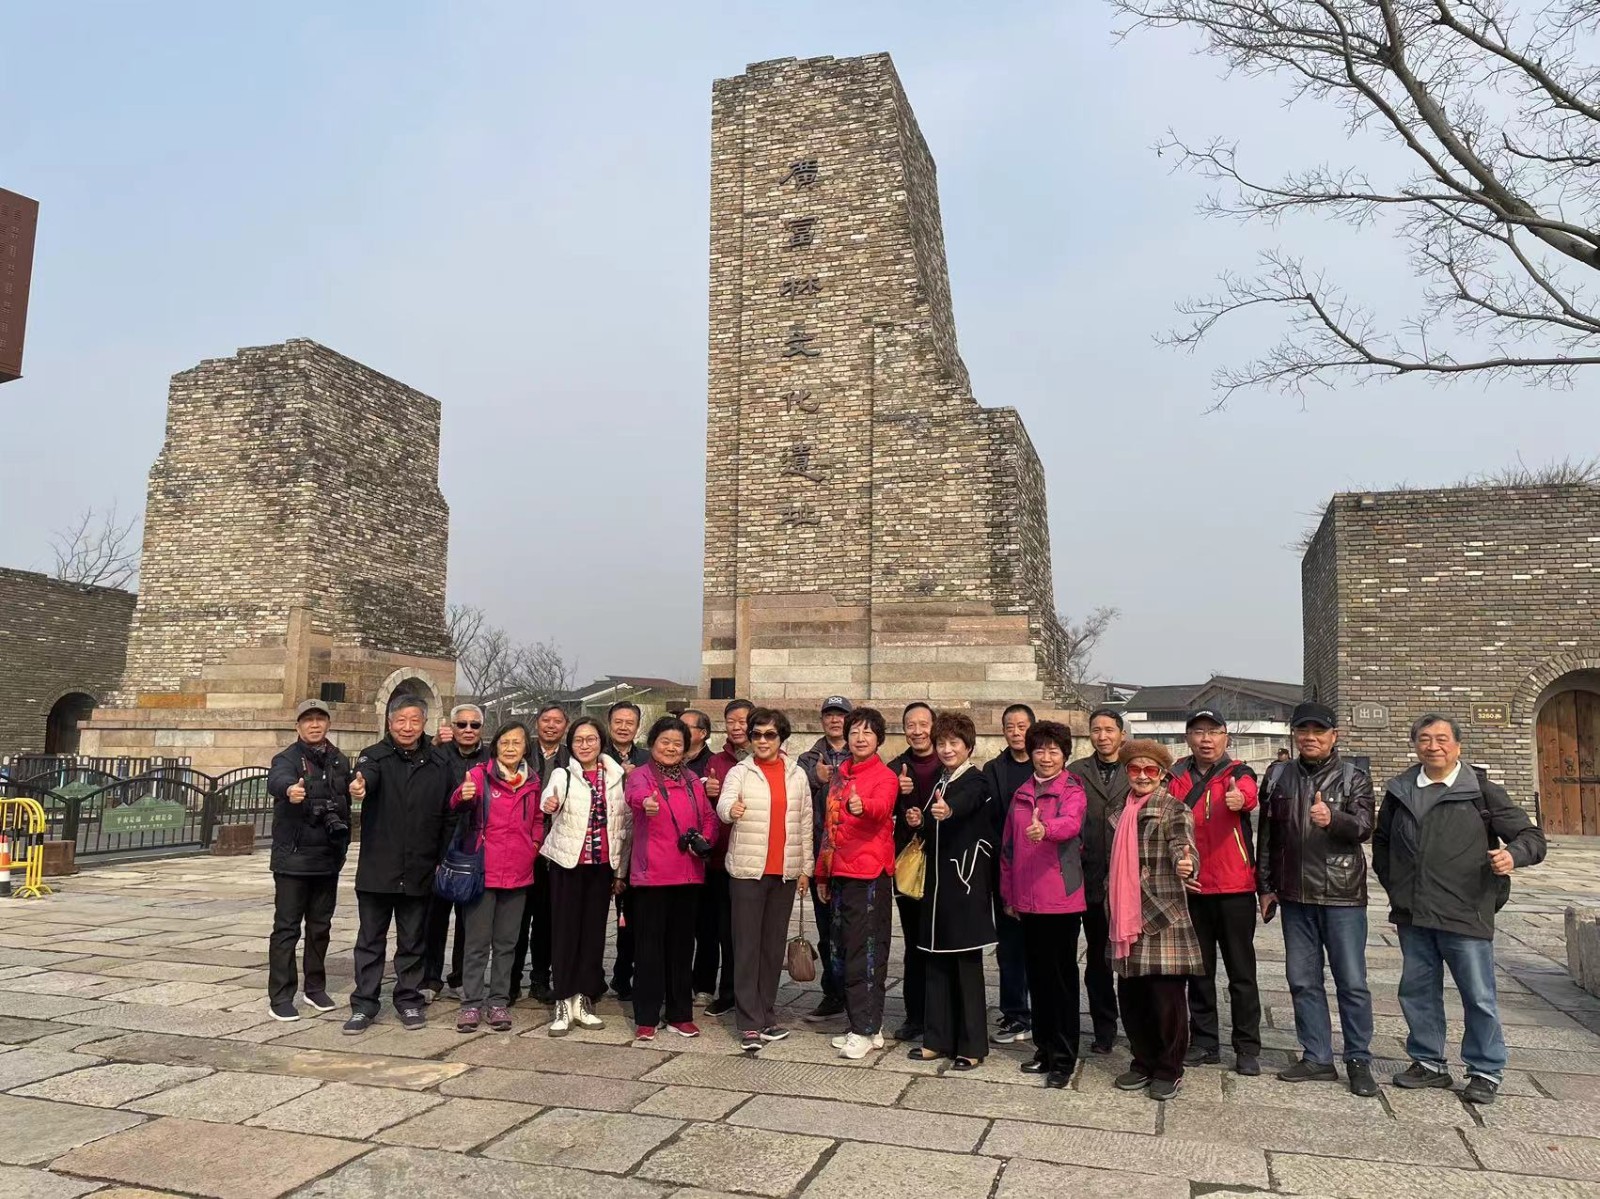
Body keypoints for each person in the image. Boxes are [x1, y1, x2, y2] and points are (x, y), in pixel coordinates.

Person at [1374, 713, 1547, 1105]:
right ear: (1415, 745)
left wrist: (1513, 855)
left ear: (1458, 746)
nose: (1433, 746)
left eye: (1442, 739)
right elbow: (1382, 842)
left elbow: (1531, 836)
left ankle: (1485, 1069)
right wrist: (1395, 884)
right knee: (1417, 990)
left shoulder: (1480, 790)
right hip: (1414, 912)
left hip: (1466, 908)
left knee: (1478, 994)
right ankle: (1428, 1062)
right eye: (1424, 739)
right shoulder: (1401, 789)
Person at [1257, 701, 1379, 1096]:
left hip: (1341, 894)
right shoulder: (1278, 776)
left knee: (1351, 981)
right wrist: (1265, 886)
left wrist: (1334, 819)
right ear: (1294, 734)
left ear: (1333, 736)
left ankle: (1358, 1058)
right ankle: (1317, 1056)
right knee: (1302, 980)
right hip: (1294, 895)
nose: (1310, 737)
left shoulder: (1354, 777)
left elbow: (1365, 827)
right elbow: (1268, 837)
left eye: (1318, 731)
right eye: (1303, 730)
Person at [345, 694, 452, 1033]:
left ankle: (409, 1000)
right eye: (401, 720)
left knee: (413, 941)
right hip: (379, 867)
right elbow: (366, 776)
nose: (407, 727)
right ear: (390, 722)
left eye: (414, 720)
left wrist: (441, 858)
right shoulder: (374, 756)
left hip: (421, 867)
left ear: (424, 723)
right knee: (370, 941)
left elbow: (449, 814)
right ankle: (364, 1004)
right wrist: (360, 786)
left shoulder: (439, 762)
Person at [1167, 709, 1262, 1075]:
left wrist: (1241, 800)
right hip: (1192, 887)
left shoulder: (1238, 773)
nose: (1206, 739)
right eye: (1198, 732)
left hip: (1234, 887)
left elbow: (1248, 794)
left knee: (1242, 972)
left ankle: (1247, 1046)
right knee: (1199, 972)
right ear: (1188, 737)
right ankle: (1204, 1041)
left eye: (1213, 731)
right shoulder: (1175, 776)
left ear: (1226, 737)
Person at [1108, 739, 1202, 1101]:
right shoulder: (1120, 809)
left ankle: (1169, 1068)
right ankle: (1142, 1060)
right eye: (1135, 769)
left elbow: (1183, 844)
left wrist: (1187, 863)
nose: (1142, 776)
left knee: (1166, 998)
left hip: (1160, 913)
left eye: (1150, 770)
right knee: (1131, 995)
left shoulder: (1174, 809)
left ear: (1162, 775)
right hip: (1124, 913)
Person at [716, 706, 812, 1053]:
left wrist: (806, 868)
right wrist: (731, 810)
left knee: (772, 949)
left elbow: (804, 823)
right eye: (756, 734)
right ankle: (749, 1022)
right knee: (747, 947)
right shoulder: (740, 772)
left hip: (784, 872)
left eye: (770, 734)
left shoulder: (797, 775)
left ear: (781, 738)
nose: (762, 740)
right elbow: (724, 805)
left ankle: (767, 1013)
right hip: (748, 871)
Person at [905, 711, 995, 1070]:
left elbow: (967, 802)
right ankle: (936, 1038)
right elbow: (935, 826)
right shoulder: (940, 781)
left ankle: (972, 1045)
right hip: (937, 889)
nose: (946, 749)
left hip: (964, 886)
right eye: (941, 743)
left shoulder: (976, 779)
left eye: (953, 743)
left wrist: (948, 809)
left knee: (966, 967)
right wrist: (920, 821)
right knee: (936, 963)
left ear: (968, 746)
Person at [1000, 719, 1087, 1087]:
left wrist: (1045, 830)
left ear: (1064, 755)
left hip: (1061, 900)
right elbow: (1007, 849)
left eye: (1054, 751)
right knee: (1037, 978)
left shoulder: (1072, 789)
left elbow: (1071, 824)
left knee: (1061, 981)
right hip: (1028, 900)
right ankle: (1044, 1049)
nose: (1046, 757)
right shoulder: (1022, 793)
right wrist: (1009, 895)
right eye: (1040, 750)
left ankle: (1064, 1058)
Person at [625, 715, 720, 1042]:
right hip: (651, 876)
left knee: (681, 947)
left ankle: (680, 1014)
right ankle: (647, 1016)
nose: (670, 748)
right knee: (648, 949)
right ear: (652, 744)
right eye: (664, 742)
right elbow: (635, 796)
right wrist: (646, 803)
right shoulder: (641, 776)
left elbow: (709, 818)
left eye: (677, 744)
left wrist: (705, 840)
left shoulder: (693, 780)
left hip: (688, 875)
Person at [814, 706, 898, 1060]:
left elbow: (882, 807)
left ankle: (864, 1028)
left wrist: (864, 807)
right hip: (840, 872)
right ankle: (865, 1024)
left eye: (868, 732)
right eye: (854, 732)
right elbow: (828, 828)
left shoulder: (885, 776)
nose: (860, 738)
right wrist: (822, 873)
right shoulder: (840, 775)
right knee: (843, 951)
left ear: (879, 739)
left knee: (866, 952)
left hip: (869, 874)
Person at [450, 722, 544, 1033]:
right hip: (483, 871)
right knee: (477, 943)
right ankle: (471, 1003)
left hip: (518, 872)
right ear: (496, 746)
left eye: (517, 742)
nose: (510, 747)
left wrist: (534, 845)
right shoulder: (480, 775)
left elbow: (538, 819)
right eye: (505, 742)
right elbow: (456, 802)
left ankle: (499, 1001)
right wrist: (462, 795)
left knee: (507, 943)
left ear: (525, 747)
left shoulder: (533, 781)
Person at [541, 717, 631, 1036]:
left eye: (590, 739)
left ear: (601, 741)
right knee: (565, 933)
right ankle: (563, 1000)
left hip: (601, 866)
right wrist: (550, 803)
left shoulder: (617, 777)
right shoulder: (563, 774)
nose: (585, 745)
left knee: (593, 934)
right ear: (571, 744)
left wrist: (620, 872)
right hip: (568, 865)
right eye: (578, 740)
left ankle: (583, 999)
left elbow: (624, 826)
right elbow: (549, 799)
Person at [266, 699, 353, 1021]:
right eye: (308, 720)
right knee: (287, 929)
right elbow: (276, 780)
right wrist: (290, 790)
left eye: (320, 719)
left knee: (320, 927)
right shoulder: (287, 758)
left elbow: (346, 798)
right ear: (298, 726)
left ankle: (315, 987)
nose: (314, 725)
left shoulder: (339, 760)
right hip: (294, 858)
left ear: (328, 724)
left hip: (328, 857)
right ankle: (280, 995)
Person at [1066, 707, 1128, 1055]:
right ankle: (1104, 1027)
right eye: (1096, 730)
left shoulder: (1137, 769)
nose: (1102, 736)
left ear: (1122, 734)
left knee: (1129, 959)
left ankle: (1136, 1023)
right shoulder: (1076, 772)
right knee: (1097, 959)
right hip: (1087, 878)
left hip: (1126, 881)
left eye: (1109, 730)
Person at [423, 703, 491, 1002]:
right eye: (461, 724)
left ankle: (461, 977)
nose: (468, 730)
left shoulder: (491, 758)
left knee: (469, 918)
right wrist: (433, 742)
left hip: (473, 846)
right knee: (434, 918)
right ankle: (429, 978)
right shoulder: (437, 754)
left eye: (474, 725)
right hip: (440, 843)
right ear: (451, 726)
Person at [885, 701, 940, 1042]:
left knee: (942, 942)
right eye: (911, 725)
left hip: (944, 866)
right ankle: (915, 1015)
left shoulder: (949, 763)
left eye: (924, 724)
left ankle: (942, 1013)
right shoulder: (895, 768)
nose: (917, 731)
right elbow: (880, 812)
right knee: (914, 942)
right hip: (908, 866)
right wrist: (896, 794)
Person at [691, 699, 750, 1016]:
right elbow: (702, 810)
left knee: (744, 932)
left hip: (753, 858)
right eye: (731, 721)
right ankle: (721, 991)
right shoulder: (715, 761)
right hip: (719, 858)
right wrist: (708, 792)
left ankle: (746, 992)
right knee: (719, 929)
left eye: (743, 721)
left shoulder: (769, 758)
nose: (737, 727)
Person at [983, 703, 1037, 1047]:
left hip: (1041, 870)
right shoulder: (994, 768)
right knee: (1009, 945)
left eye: (1022, 726)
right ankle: (1015, 1011)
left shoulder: (1046, 765)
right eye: (1010, 727)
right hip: (1004, 867)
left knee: (1039, 945)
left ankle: (1041, 1010)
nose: (1016, 733)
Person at [796, 696, 852, 1021]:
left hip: (852, 855)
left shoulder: (861, 755)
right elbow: (797, 798)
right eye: (829, 715)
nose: (834, 720)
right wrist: (816, 778)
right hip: (822, 856)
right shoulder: (807, 759)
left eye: (840, 715)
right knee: (826, 929)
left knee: (853, 930)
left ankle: (854, 993)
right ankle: (832, 993)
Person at [511, 702, 571, 1005]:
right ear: (537, 723)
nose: (551, 725)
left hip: (554, 850)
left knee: (546, 920)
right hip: (521, 846)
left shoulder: (571, 759)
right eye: (546, 720)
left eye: (557, 721)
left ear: (565, 726)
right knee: (517, 919)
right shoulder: (521, 753)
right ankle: (510, 981)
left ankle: (539, 978)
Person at [682, 709, 715, 777]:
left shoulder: (713, 762)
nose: (679, 731)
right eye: (678, 727)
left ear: (703, 733)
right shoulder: (669, 757)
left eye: (685, 727)